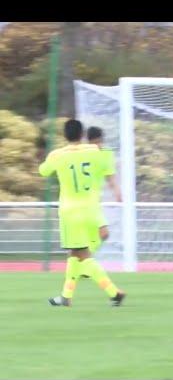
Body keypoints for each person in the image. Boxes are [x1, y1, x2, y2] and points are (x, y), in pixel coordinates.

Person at [39, 119, 126, 307]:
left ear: (65, 135)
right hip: (92, 209)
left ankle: (114, 292)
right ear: (82, 134)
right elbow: (107, 166)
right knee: (74, 254)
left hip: (71, 211)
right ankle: (66, 297)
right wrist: (116, 189)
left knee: (83, 255)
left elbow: (43, 171)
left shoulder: (57, 155)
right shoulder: (95, 151)